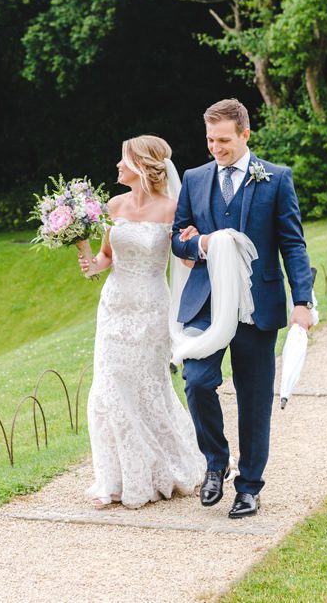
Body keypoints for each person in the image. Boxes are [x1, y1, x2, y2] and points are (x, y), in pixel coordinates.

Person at [170, 98, 317, 519]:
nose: (216, 148)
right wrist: (197, 242)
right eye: (210, 140)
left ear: (245, 135)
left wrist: (302, 302)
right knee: (197, 382)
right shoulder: (195, 178)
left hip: (259, 305)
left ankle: (249, 486)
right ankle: (216, 462)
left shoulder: (275, 178)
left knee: (254, 399)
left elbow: (293, 243)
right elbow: (177, 236)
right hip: (207, 303)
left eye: (224, 140)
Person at [77, 135, 207, 508]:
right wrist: (86, 255)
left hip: (150, 308)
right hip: (114, 306)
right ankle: (115, 480)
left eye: (124, 159)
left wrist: (194, 241)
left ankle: (163, 466)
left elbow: (185, 261)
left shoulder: (171, 208)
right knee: (108, 386)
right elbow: (105, 259)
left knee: (148, 388)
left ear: (142, 166)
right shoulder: (114, 205)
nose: (117, 166)